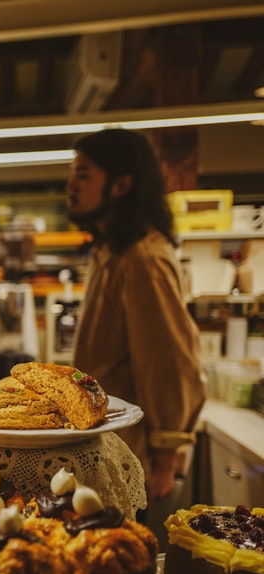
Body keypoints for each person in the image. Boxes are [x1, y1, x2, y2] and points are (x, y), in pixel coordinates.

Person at [66, 128, 206, 505]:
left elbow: (169, 363)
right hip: (105, 448)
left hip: (132, 460)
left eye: (83, 174)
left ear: (121, 184)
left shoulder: (144, 259)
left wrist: (166, 456)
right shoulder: (112, 251)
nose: (70, 186)